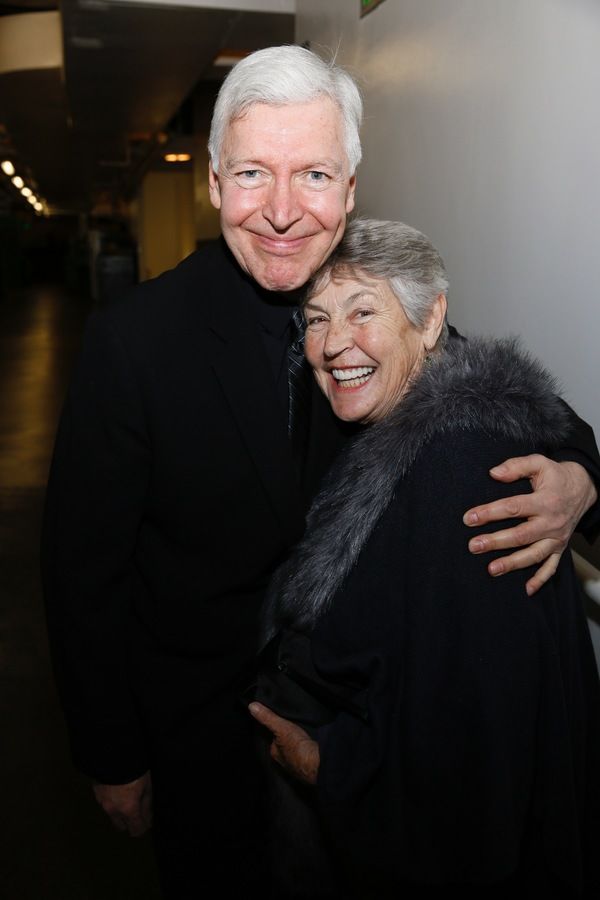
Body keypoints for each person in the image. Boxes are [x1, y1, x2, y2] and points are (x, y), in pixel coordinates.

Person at [42, 46, 600, 898]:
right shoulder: (134, 342)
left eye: (313, 175)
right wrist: (112, 754)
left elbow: (509, 396)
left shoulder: (370, 302)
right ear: (215, 183)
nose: (281, 211)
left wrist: (582, 479)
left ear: (348, 189)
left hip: (360, 744)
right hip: (205, 744)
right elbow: (83, 573)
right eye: (253, 174)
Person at [250, 219, 600, 898]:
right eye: (317, 319)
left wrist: (326, 767)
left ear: (432, 319)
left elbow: (471, 764)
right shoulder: (388, 401)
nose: (333, 343)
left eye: (363, 312)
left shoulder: (458, 472)